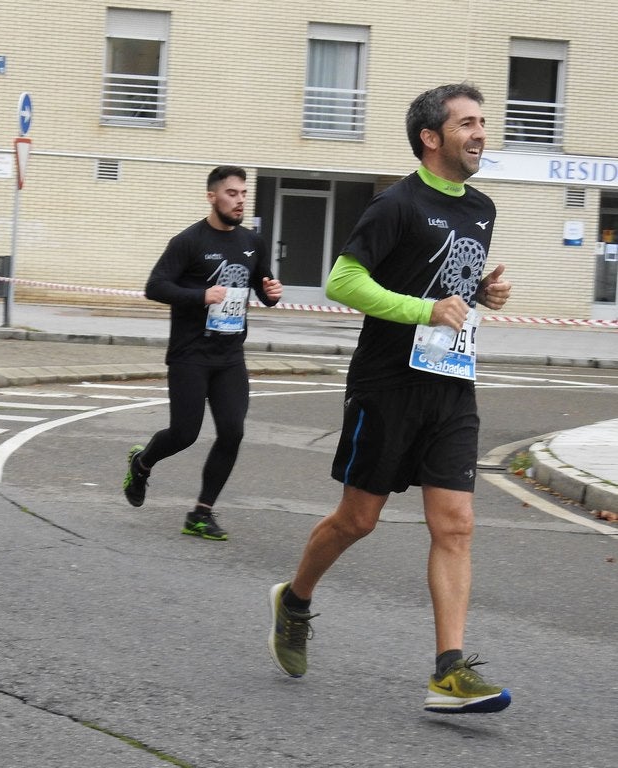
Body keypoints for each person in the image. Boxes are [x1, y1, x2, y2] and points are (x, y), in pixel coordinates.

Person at [266, 83, 514, 715]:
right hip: (388, 384)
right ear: (432, 137)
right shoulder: (395, 204)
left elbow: (440, 281)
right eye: (467, 123)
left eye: (482, 121)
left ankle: (448, 672)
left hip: (452, 384)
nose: (480, 132)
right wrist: (425, 308)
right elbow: (343, 281)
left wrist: (480, 294)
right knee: (358, 520)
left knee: (456, 524)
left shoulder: (481, 208)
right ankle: (294, 601)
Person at [122, 166, 282, 540]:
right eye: (231, 193)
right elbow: (155, 286)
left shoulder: (252, 242)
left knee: (232, 431)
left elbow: (261, 287)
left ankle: (201, 513)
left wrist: (271, 294)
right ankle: (142, 463)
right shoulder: (189, 241)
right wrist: (200, 295)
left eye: (243, 193)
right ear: (212, 197)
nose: (239, 200)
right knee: (184, 433)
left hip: (229, 356)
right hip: (190, 354)